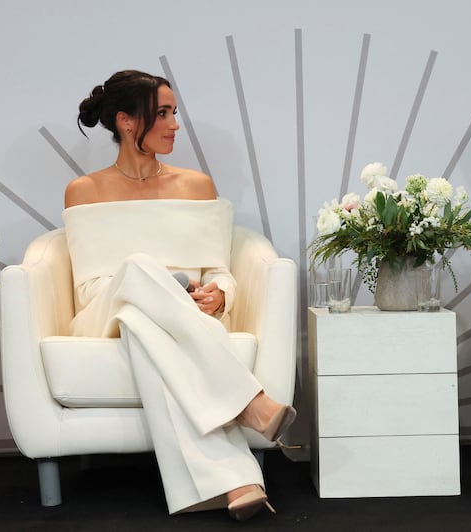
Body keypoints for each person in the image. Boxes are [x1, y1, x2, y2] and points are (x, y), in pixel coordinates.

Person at [64, 70, 297, 521]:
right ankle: (250, 403)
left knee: (143, 327)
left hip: (173, 315)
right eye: (163, 114)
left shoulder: (196, 186)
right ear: (127, 121)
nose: (174, 125)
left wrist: (221, 296)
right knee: (138, 268)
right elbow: (89, 286)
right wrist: (154, 281)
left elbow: (219, 272)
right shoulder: (84, 191)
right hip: (101, 313)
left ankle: (238, 483)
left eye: (175, 114)